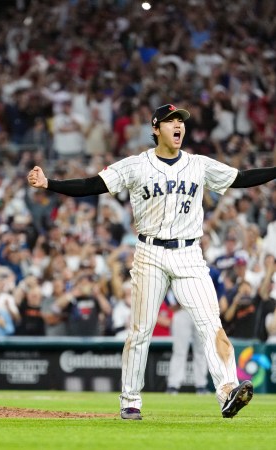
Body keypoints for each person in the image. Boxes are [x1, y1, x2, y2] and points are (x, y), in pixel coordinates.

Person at [28, 103, 276, 420]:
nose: (179, 126)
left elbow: (241, 178)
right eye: (171, 121)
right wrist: (50, 184)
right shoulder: (136, 165)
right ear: (156, 128)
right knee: (140, 330)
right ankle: (130, 400)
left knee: (211, 325)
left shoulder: (198, 164)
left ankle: (227, 391)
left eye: (182, 122)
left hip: (189, 254)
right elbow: (92, 185)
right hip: (150, 253)